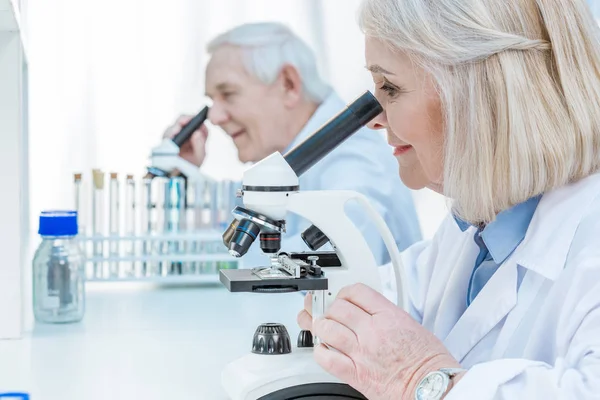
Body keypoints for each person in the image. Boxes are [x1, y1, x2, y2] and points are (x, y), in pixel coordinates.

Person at [297, 0, 600, 398]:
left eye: (390, 87)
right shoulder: (476, 231)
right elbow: (388, 298)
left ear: (480, 95)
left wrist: (421, 379)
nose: (374, 117)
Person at [164, 22, 422, 267]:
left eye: (228, 94)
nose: (215, 117)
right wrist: (183, 177)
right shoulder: (288, 167)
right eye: (211, 101)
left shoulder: (353, 162)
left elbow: (335, 267)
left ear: (289, 84)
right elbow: (241, 216)